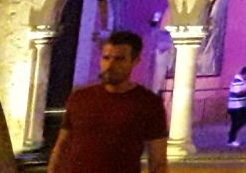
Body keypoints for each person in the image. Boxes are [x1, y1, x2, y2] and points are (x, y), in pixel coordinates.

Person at [47, 30, 169, 173]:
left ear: (135, 61)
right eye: (106, 58)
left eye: (119, 59)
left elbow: (158, 160)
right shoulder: (80, 98)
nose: (110, 65)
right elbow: (61, 146)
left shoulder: (148, 103)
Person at [228, 66, 246, 146]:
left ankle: (231, 138)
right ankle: (231, 139)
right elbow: (238, 92)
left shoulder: (239, 81)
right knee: (240, 121)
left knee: (239, 121)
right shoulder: (238, 81)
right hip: (236, 106)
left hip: (238, 106)